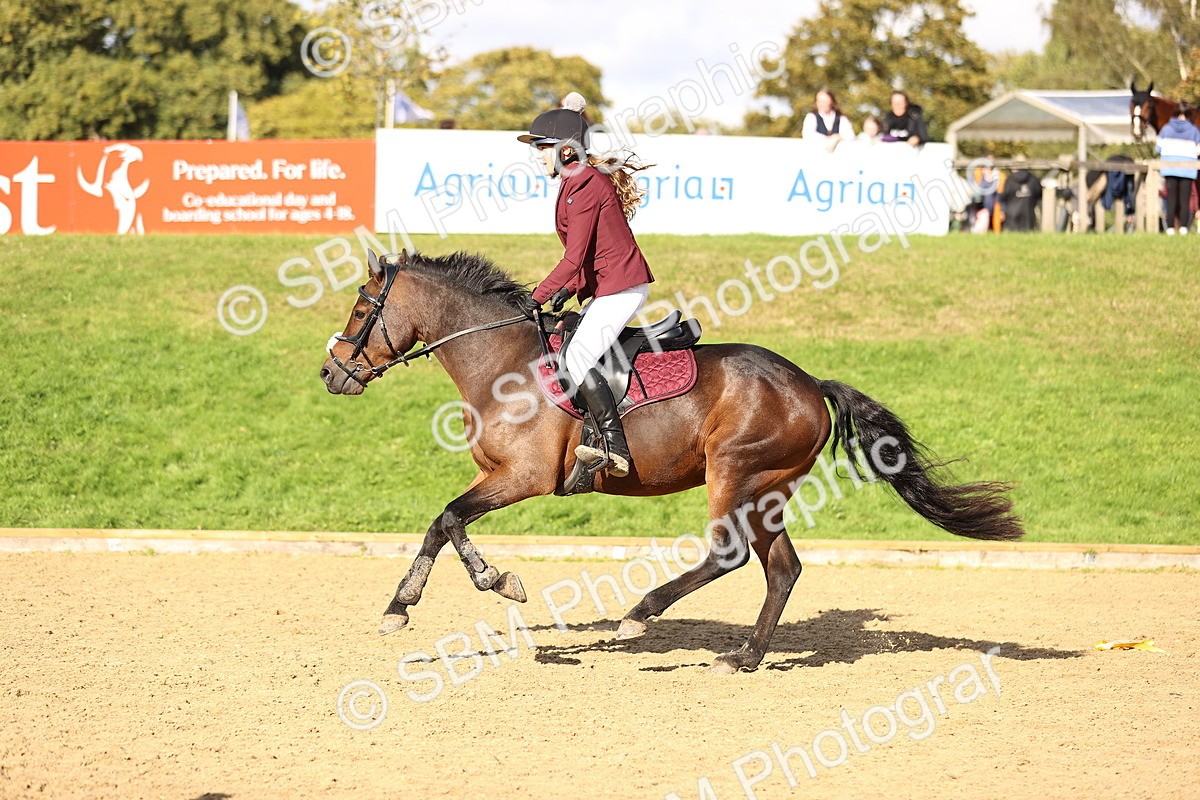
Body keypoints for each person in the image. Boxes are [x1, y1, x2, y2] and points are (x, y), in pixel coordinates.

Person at [517, 93, 653, 478]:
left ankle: (615, 447)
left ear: (564, 150)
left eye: (542, 147)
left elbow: (574, 258)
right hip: (609, 285)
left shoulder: (584, 185)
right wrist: (565, 290)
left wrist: (535, 298)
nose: (536, 155)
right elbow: (587, 255)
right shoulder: (574, 182)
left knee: (576, 359)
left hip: (622, 287)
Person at [1156, 105, 1200, 235]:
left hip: (1169, 168)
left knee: (1171, 198)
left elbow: (1158, 148)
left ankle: (1169, 228)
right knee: (1185, 199)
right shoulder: (1194, 130)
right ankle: (1184, 228)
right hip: (1188, 169)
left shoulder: (1166, 129)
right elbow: (1198, 150)